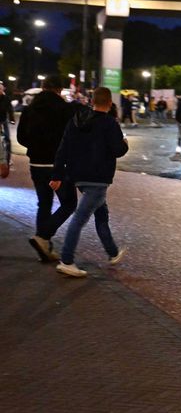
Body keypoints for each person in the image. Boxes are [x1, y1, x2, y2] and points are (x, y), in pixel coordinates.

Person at [49, 87, 129, 277]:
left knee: (101, 213)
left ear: (93, 101)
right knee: (80, 218)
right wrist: (125, 143)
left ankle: (112, 252)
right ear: (109, 103)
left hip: (78, 176)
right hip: (98, 178)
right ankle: (66, 260)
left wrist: (57, 174)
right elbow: (118, 150)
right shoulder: (110, 124)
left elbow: (63, 147)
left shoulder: (76, 121)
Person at [16, 79, 78, 261]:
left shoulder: (29, 110)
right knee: (68, 204)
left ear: (43, 88)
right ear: (59, 90)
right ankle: (42, 236)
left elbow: (21, 138)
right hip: (59, 166)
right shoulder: (65, 110)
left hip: (36, 164)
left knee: (44, 204)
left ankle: (44, 250)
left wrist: (35, 147)